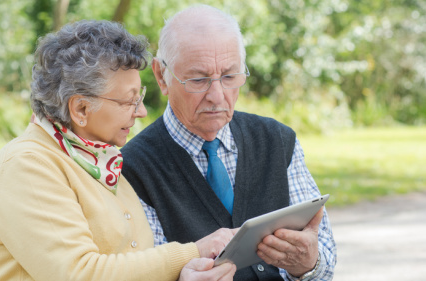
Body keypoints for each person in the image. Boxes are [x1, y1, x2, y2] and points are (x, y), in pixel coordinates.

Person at [0, 20, 237, 281]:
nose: (141, 112)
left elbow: (134, 267)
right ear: (80, 109)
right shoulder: (27, 166)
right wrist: (193, 252)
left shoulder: (100, 162)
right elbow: (80, 273)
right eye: (129, 101)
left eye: (140, 98)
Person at [121, 5, 337, 281]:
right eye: (199, 79)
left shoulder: (278, 141)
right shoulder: (133, 168)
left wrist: (307, 265)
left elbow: (325, 264)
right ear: (162, 76)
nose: (217, 95)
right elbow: (146, 271)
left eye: (229, 77)